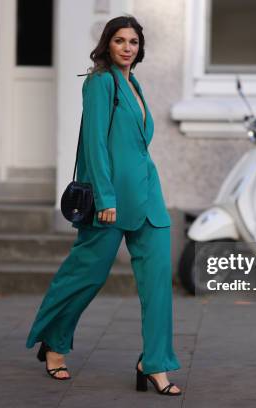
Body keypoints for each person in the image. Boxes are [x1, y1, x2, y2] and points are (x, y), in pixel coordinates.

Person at [25, 15, 182, 396]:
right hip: (110, 202)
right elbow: (95, 144)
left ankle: (156, 363)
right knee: (86, 275)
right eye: (120, 41)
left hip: (149, 199)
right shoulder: (100, 83)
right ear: (107, 45)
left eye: (133, 42)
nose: (128, 48)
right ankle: (54, 344)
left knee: (159, 283)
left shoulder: (135, 84)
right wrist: (106, 198)